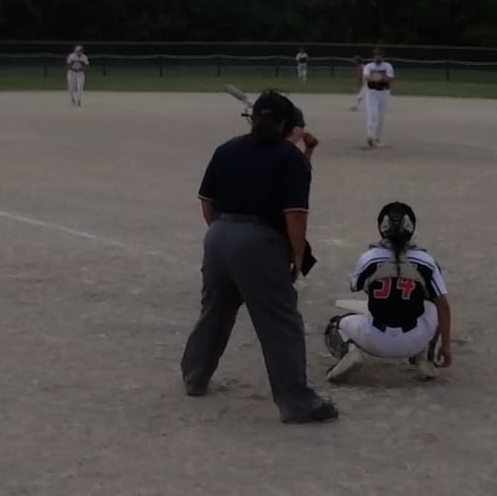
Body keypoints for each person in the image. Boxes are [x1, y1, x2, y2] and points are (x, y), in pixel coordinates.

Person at [181, 90, 338, 424]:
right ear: (287, 124)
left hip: (218, 236)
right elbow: (295, 215)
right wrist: (297, 255)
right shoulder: (288, 157)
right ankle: (296, 401)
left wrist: (222, 231)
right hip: (259, 243)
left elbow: (207, 201)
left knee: (215, 312)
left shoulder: (227, 149)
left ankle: (194, 376)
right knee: (281, 321)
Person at [324, 202, 454, 384]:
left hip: (374, 338)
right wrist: (446, 346)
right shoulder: (426, 261)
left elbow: (355, 285)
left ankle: (350, 353)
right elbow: (444, 307)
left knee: (335, 324)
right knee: (434, 305)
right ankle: (425, 357)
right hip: (414, 339)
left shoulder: (370, 258)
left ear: (382, 228)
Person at [361, 47, 396, 148]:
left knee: (381, 118)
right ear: (373, 57)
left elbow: (390, 78)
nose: (378, 57)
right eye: (376, 55)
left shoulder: (388, 66)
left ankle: (378, 139)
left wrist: (380, 78)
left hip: (384, 93)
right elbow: (366, 77)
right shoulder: (368, 66)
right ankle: (370, 137)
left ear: (383, 57)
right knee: (372, 116)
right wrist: (375, 78)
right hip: (372, 93)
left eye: (380, 55)